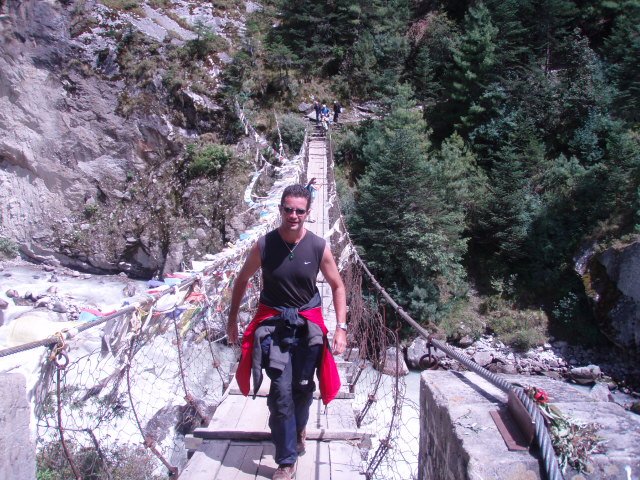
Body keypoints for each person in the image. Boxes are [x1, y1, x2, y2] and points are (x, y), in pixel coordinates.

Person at [227, 184, 347, 480]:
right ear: (280, 209)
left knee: (303, 389)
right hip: (275, 329)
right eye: (288, 209)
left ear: (308, 213)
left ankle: (299, 428)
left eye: (299, 210)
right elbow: (241, 280)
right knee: (280, 394)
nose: (293, 215)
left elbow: (338, 286)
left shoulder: (318, 246)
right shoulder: (264, 245)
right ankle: (286, 460)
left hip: (308, 330)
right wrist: (232, 320)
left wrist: (341, 328)